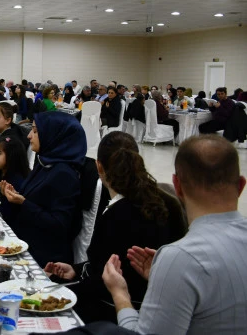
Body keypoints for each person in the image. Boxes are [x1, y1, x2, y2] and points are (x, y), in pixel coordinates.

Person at [102, 135, 247, 334]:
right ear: (241, 185)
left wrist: (120, 295)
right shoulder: (178, 261)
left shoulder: (180, 258)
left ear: (177, 186)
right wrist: (164, 278)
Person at [45, 132, 186, 323]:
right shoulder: (169, 202)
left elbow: (103, 280)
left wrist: (58, 286)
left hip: (117, 310)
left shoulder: (116, 213)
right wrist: (77, 270)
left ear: (99, 167)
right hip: (162, 308)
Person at [0, 111, 85, 266]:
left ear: (54, 135)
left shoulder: (64, 174)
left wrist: (23, 202)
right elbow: (36, 202)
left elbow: (59, 225)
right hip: (26, 240)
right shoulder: (45, 163)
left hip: (45, 258)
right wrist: (14, 196)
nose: (29, 136)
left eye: (35, 131)